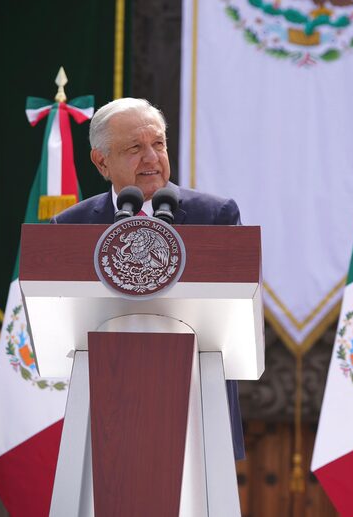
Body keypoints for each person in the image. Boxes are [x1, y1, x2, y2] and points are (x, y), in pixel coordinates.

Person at [52, 97, 245, 459]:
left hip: (196, 411)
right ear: (101, 161)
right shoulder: (70, 226)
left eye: (158, 144)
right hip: (104, 416)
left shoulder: (214, 216)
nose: (152, 158)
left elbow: (235, 318)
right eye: (135, 148)